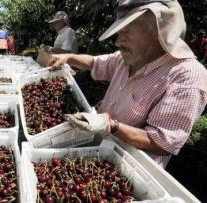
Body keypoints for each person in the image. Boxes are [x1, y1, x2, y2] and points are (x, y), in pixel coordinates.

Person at [48, 0, 207, 168]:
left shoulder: (187, 76)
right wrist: (68, 58)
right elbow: (94, 62)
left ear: (158, 31)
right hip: (98, 152)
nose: (118, 41)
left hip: (128, 170)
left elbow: (162, 143)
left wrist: (110, 125)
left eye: (126, 31)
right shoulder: (128, 58)